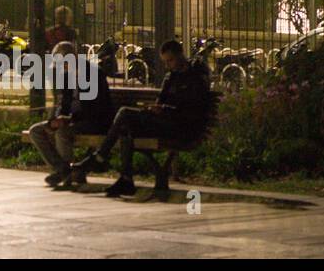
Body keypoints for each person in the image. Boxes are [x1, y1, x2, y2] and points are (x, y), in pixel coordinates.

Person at [70, 39, 212, 197]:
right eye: (165, 61)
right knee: (126, 127)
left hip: (183, 127)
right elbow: (161, 102)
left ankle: (102, 156)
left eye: (170, 60)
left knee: (125, 113)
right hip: (166, 122)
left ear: (181, 55)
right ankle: (126, 180)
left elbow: (193, 109)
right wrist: (155, 109)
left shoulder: (196, 75)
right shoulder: (170, 76)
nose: (167, 65)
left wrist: (164, 109)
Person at [27, 41, 112, 187]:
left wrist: (69, 119)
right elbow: (63, 104)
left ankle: (65, 174)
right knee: (36, 131)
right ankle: (63, 170)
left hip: (94, 122)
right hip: (72, 121)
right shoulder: (66, 76)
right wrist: (56, 119)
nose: (60, 68)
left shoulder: (93, 73)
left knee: (62, 132)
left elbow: (94, 109)